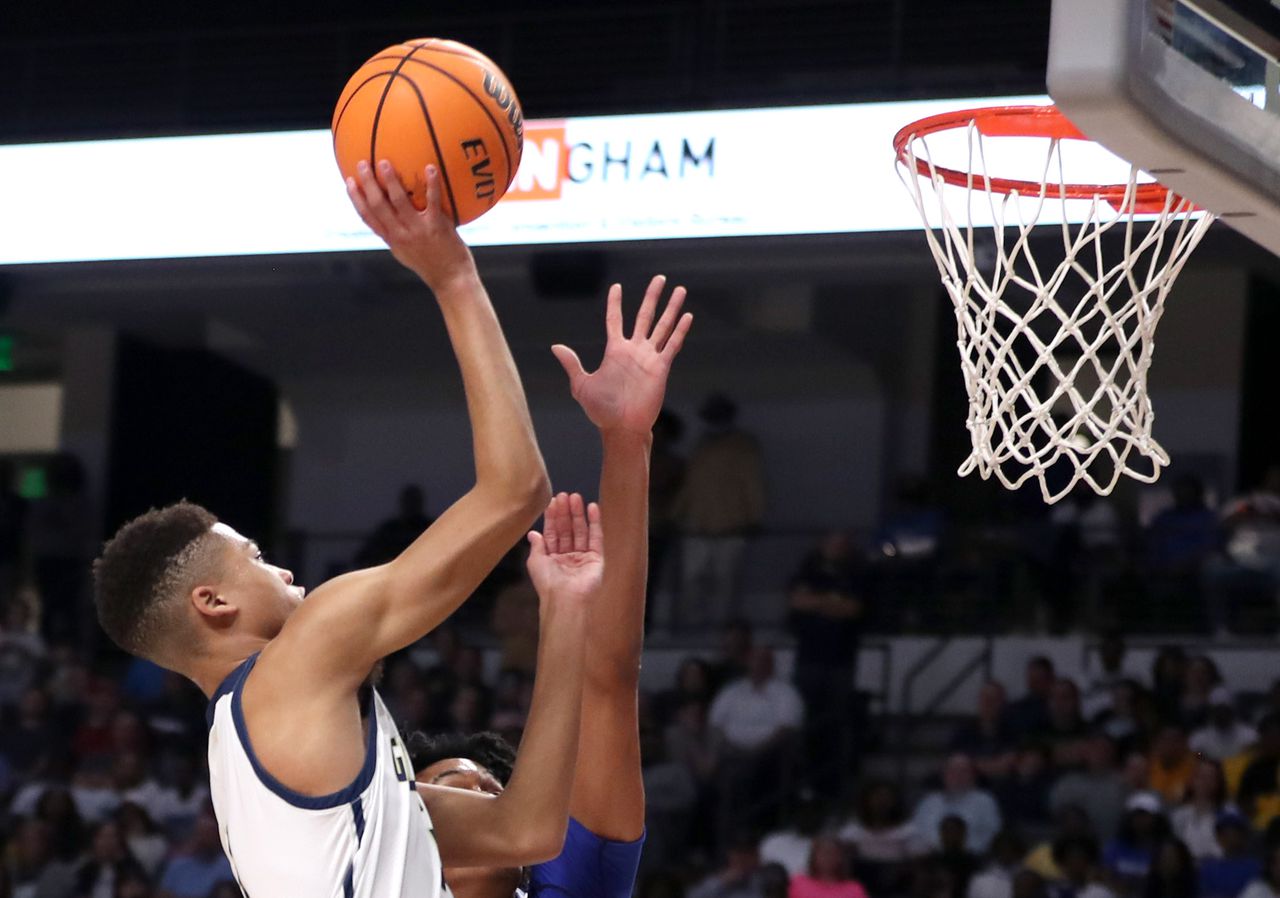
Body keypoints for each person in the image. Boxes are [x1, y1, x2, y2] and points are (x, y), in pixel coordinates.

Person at [91, 161, 588, 897]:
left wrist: (568, 613)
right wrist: (453, 278)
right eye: (254, 557)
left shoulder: (252, 768)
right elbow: (516, 491)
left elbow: (527, 830)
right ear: (213, 602)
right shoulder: (302, 659)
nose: (285, 571)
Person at [409, 274, 694, 898]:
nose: (480, 797)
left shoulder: (568, 881)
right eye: (458, 798)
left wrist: (626, 442)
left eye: (491, 795)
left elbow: (609, 680)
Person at [673, 392, 766, 628]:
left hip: (731, 526)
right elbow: (690, 485)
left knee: (726, 581)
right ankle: (691, 626)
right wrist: (676, 515)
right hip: (697, 526)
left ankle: (722, 628)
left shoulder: (744, 447)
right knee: (692, 579)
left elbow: (753, 484)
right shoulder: (701, 446)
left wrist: (754, 517)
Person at [913, 755, 1003, 855]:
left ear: (973, 775)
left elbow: (993, 835)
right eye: (952, 771)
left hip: (971, 858)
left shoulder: (984, 801)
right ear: (944, 775)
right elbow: (915, 830)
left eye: (963, 771)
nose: (957, 776)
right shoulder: (930, 801)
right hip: (930, 857)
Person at [1050, 734, 1130, 843]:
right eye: (1094, 748)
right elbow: (1055, 816)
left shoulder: (1123, 784)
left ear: (1113, 752)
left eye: (1104, 749)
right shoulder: (1067, 784)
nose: (1099, 753)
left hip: (1113, 850)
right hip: (1074, 851)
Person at [353, 483, 435, 568]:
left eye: (414, 501)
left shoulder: (431, 529)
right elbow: (364, 557)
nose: (411, 504)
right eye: (409, 501)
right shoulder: (389, 530)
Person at [1171, 760, 1233, 860]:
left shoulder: (1228, 812)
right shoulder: (1180, 815)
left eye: (1210, 777)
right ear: (1192, 780)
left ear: (1218, 782)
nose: (1205, 781)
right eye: (1201, 777)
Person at [1198, 812, 1261, 898]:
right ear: (1218, 838)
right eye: (1224, 834)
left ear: (1244, 837)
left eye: (1234, 834)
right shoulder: (1208, 868)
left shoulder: (1256, 867)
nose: (1229, 839)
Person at [789, 835, 869, 898]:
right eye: (823, 853)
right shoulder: (797, 883)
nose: (828, 858)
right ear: (813, 857)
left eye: (832, 853)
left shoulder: (854, 889)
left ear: (840, 858)